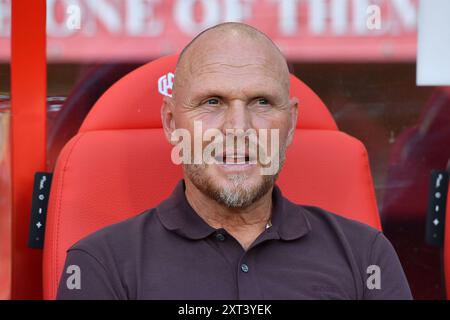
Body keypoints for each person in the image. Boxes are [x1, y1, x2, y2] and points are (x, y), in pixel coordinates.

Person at [57, 22, 412, 300]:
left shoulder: (366, 255)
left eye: (261, 102)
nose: (238, 128)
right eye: (212, 102)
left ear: (290, 124)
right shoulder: (101, 264)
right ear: (170, 122)